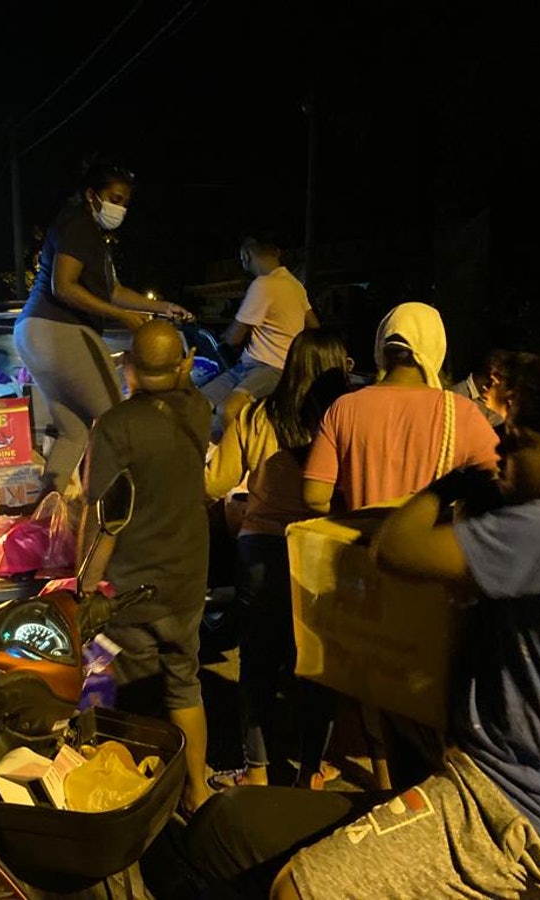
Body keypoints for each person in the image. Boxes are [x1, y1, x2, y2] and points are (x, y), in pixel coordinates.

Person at [184, 352, 540, 899]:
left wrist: (453, 482)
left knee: (295, 889)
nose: (500, 449)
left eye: (518, 440)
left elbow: (397, 547)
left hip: (531, 814)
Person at [76, 319, 213, 815]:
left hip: (134, 587)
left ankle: (142, 800)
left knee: (133, 691)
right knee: (184, 678)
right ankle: (197, 789)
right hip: (186, 581)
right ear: (184, 364)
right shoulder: (198, 410)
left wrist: (85, 587)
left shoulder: (116, 426)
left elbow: (102, 517)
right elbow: (182, 380)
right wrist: (184, 365)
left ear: (128, 365)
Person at [205, 329, 351, 790]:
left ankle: (257, 770)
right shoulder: (342, 420)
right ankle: (311, 770)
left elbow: (215, 482)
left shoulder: (257, 416)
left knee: (258, 664)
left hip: (260, 548)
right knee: (314, 665)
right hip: (320, 549)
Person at [13, 160, 193, 498]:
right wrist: (121, 318)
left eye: (125, 201)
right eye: (114, 197)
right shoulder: (78, 225)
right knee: (118, 421)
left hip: (33, 332)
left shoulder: (90, 235)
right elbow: (63, 286)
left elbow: (114, 291)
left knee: (74, 432)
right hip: (58, 328)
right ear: (91, 195)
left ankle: (43, 523)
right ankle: (128, 512)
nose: (119, 207)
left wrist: (161, 307)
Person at [303, 301, 499, 514]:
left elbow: (314, 497)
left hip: (367, 542)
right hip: (426, 543)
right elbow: (501, 476)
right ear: (436, 349)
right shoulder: (460, 411)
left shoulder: (344, 407)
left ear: (382, 348)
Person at [200, 234, 318, 440]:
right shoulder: (295, 285)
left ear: (245, 255)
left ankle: (240, 463)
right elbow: (314, 326)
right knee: (199, 404)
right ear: (277, 253)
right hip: (256, 367)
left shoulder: (263, 284)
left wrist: (224, 335)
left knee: (223, 411)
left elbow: (234, 337)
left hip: (270, 369)